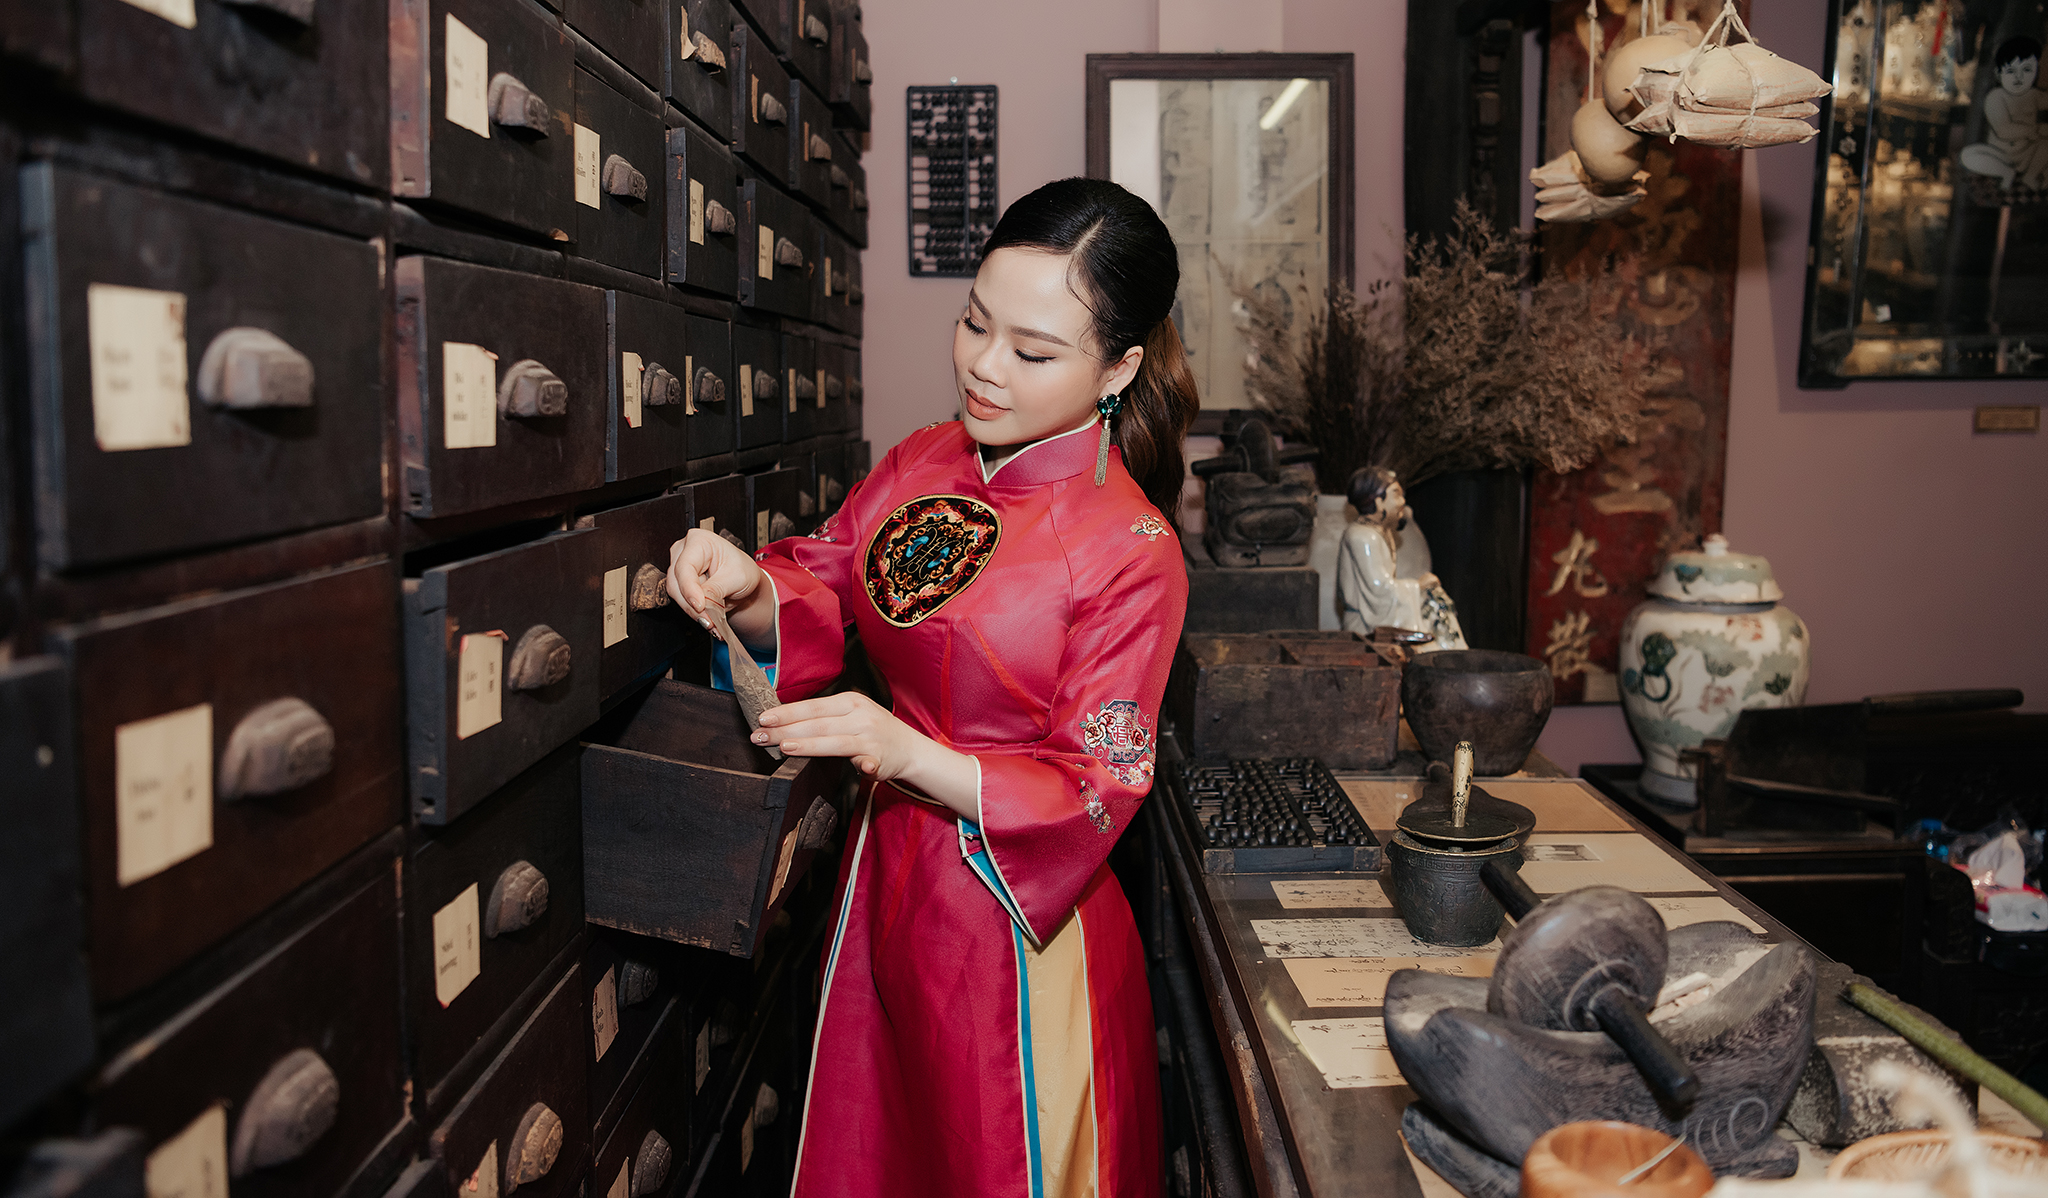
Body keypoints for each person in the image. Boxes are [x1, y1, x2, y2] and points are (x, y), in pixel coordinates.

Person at [665, 177, 1198, 1198]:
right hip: (886, 881)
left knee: (991, 1156)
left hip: (1016, 926)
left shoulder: (1131, 549)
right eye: (974, 323)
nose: (984, 366)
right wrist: (746, 586)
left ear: (1119, 368)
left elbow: (1096, 787)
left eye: (1033, 352)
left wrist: (906, 751)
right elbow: (827, 580)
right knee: (874, 1148)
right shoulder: (924, 460)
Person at [1337, 466, 1468, 650]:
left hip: (1383, 614)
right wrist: (1418, 587)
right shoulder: (1363, 537)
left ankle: (1454, 650)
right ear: (1378, 502)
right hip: (1367, 626)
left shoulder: (1379, 533)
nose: (1402, 502)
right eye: (1396, 495)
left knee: (1436, 603)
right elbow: (1379, 591)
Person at [1959, 35, 2047, 192]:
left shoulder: (2035, 95)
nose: (2019, 77)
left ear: (2036, 72)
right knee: (1968, 155)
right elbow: (2003, 130)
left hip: (2027, 154)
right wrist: (2035, 130)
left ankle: (2031, 176)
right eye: (2011, 71)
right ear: (1999, 73)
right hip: (1999, 154)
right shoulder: (1996, 97)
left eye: (2027, 70)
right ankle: (2005, 172)